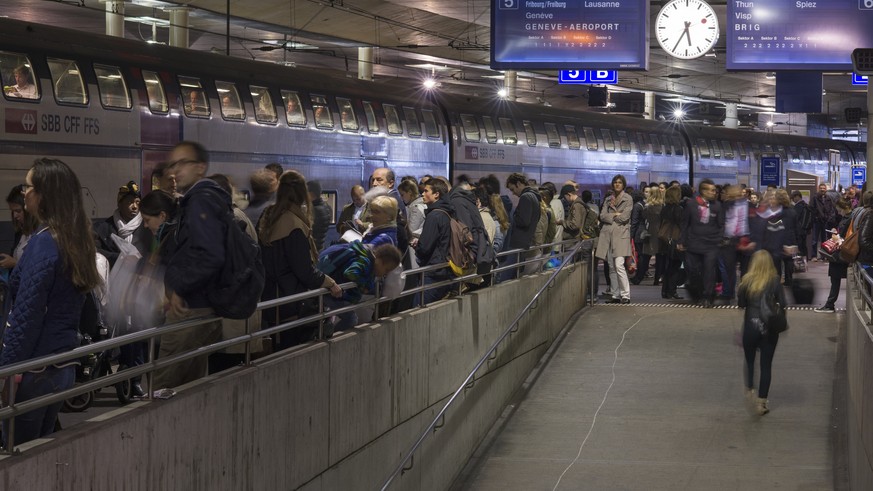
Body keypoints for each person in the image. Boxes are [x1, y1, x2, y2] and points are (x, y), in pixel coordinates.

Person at [1, 158, 101, 447]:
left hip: (34, 372)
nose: (24, 193)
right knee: (43, 450)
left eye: (28, 187)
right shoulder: (74, 237)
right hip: (61, 366)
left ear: (44, 195)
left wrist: (6, 372)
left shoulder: (44, 242)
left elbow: (26, 316)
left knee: (19, 453)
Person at [152, 141, 226, 391]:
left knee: (159, 389)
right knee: (189, 389)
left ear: (200, 168)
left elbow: (212, 255)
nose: (176, 170)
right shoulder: (203, 199)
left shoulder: (199, 202)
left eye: (184, 163)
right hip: (201, 309)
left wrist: (179, 290)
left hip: (190, 311)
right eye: (173, 164)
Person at [259, 170, 343, 349]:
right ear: (302, 195)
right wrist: (330, 283)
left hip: (271, 299)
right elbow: (304, 270)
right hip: (290, 303)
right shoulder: (294, 225)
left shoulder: (267, 216)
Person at [737, 250, 787, 416]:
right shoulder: (774, 281)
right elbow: (784, 303)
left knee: (749, 361)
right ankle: (761, 403)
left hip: (750, 325)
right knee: (766, 365)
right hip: (769, 327)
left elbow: (741, 303)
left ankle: (750, 389)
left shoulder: (746, 281)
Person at [678, 179, 724, 307]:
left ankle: (708, 296)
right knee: (693, 271)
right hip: (693, 244)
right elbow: (685, 224)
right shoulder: (691, 204)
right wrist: (681, 240)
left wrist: (719, 239)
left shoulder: (717, 206)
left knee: (709, 271)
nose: (714, 193)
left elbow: (721, 225)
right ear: (703, 191)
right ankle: (696, 293)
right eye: (712, 190)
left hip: (711, 245)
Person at [414, 178, 455, 305]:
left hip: (432, 272)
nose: (422, 194)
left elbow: (425, 248)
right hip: (445, 269)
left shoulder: (434, 216)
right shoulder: (447, 213)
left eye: (426, 191)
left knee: (418, 309)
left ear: (436, 194)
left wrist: (417, 246)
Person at [93, 181, 152, 267]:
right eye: (129, 202)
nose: (134, 206)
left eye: (137, 202)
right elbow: (94, 251)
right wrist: (119, 258)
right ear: (119, 204)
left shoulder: (147, 228)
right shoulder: (102, 228)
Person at [596, 175, 633, 304]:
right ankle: (615, 294)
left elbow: (625, 218)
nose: (617, 184)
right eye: (615, 182)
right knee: (611, 266)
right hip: (608, 235)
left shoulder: (628, 198)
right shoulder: (607, 200)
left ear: (623, 184)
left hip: (621, 236)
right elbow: (602, 216)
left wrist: (611, 217)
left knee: (619, 265)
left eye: (620, 182)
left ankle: (626, 295)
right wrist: (615, 215)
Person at [814, 198, 855, 313]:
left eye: (838, 209)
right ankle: (829, 303)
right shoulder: (848, 218)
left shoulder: (849, 218)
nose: (837, 211)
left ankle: (830, 304)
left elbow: (847, 237)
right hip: (841, 252)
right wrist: (836, 232)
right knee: (835, 279)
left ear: (844, 208)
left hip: (841, 253)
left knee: (835, 279)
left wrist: (837, 237)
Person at [499, 173, 541, 282]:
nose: (513, 193)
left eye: (513, 189)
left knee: (504, 277)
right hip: (525, 241)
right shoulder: (534, 196)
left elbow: (524, 221)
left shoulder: (525, 197)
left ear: (518, 183)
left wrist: (514, 216)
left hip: (518, 242)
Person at [0, 185, 40, 271]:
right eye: (12, 211)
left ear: (28, 209)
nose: (15, 216)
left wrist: (15, 263)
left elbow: (41, 268)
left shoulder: (40, 234)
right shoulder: (20, 233)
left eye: (18, 211)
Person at [307, 180, 332, 251]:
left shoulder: (315, 210)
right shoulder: (326, 206)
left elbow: (309, 232)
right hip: (320, 247)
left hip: (313, 250)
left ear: (311, 194)